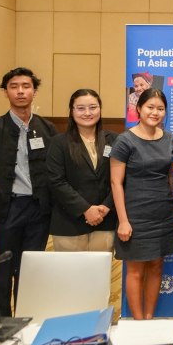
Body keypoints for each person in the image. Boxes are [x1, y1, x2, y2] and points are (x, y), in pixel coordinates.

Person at [0, 67, 59, 315]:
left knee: (31, 268)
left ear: (34, 91)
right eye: (14, 87)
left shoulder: (47, 129)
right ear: (6, 92)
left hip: (39, 210)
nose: (20, 91)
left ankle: (27, 317)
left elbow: (56, 171)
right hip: (7, 209)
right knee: (3, 269)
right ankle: (2, 321)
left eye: (26, 86)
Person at [110, 88, 173, 319]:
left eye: (160, 108)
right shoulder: (125, 140)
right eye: (150, 107)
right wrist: (123, 221)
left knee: (156, 267)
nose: (155, 112)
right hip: (135, 215)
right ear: (139, 109)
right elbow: (116, 183)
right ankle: (138, 323)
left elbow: (169, 176)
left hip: (163, 213)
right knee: (136, 270)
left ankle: (149, 319)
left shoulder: (169, 139)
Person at [46, 89, 117, 252]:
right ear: (71, 111)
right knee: (70, 269)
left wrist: (106, 206)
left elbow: (122, 178)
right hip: (69, 222)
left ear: (100, 109)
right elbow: (56, 181)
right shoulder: (59, 142)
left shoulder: (115, 140)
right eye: (80, 108)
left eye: (93, 107)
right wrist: (85, 209)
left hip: (105, 219)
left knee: (100, 268)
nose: (87, 113)